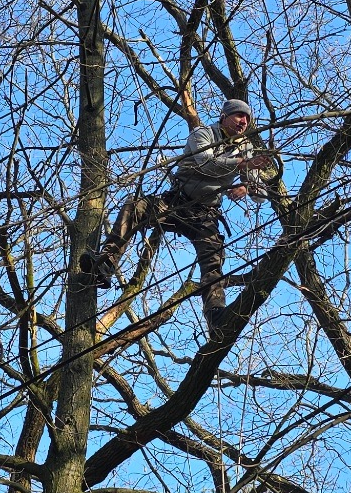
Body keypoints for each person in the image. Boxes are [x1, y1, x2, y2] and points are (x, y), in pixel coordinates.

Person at [80, 98, 273, 329]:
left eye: (248, 118)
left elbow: (260, 195)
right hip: (176, 203)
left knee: (213, 261)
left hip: (205, 213)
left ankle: (215, 315)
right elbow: (205, 162)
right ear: (224, 116)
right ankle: (106, 262)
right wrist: (243, 164)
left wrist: (249, 186)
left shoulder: (245, 148)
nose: (244, 122)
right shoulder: (202, 134)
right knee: (135, 207)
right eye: (239, 116)